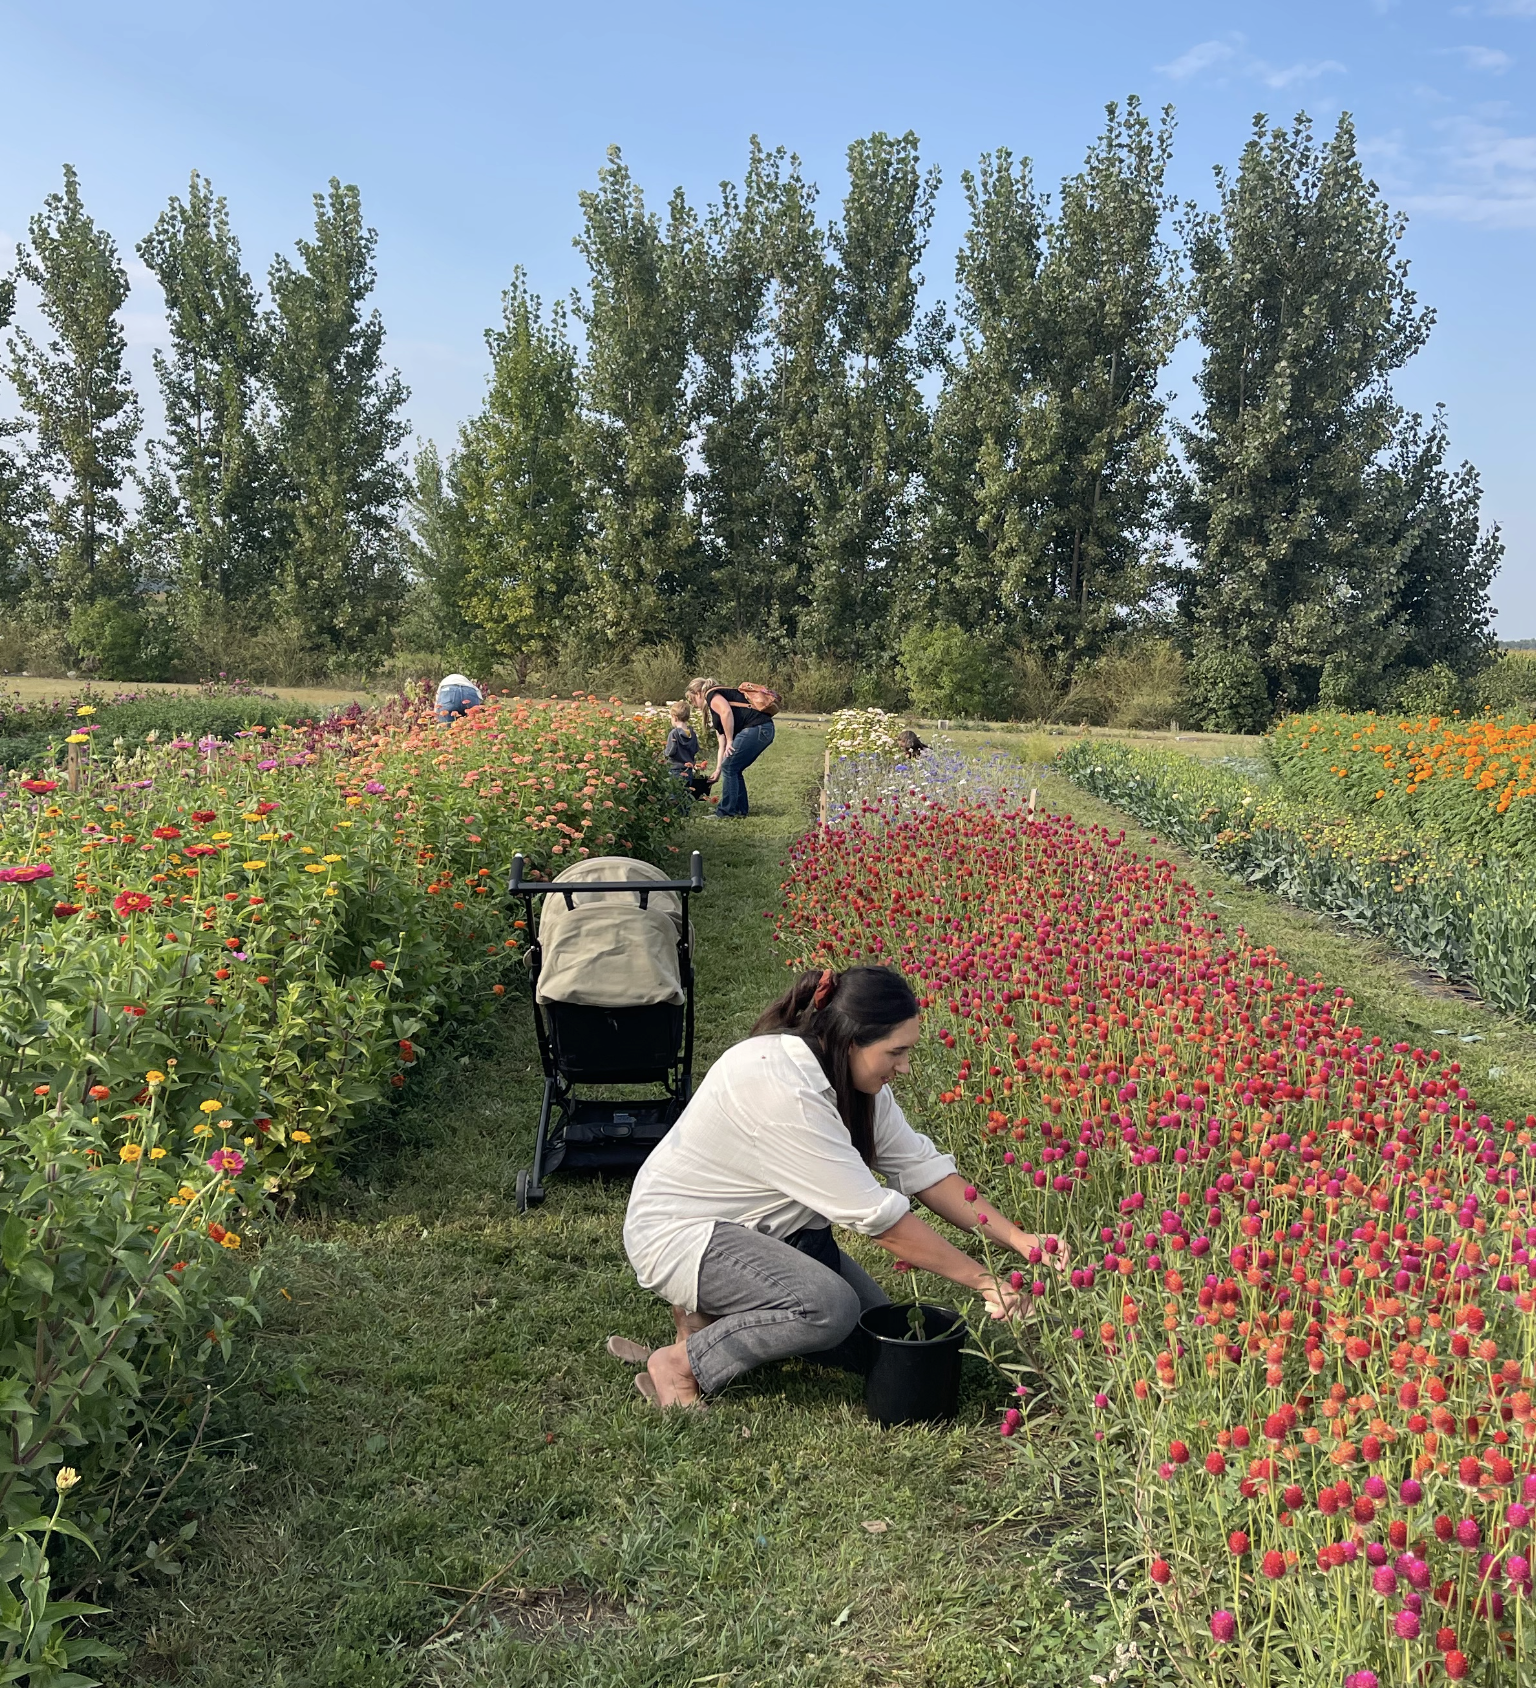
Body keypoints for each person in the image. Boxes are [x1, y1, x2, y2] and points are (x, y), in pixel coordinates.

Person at [616, 965, 1067, 1409]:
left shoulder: (849, 1079)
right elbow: (882, 1222)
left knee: (875, 1341)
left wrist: (1021, 1240)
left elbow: (922, 1170)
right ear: (852, 1040)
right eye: (896, 1052)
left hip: (764, 1230)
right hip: (684, 1236)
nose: (905, 1067)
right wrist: (986, 1281)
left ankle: (707, 1315)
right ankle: (680, 1365)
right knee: (827, 1309)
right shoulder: (784, 1090)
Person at [686, 676, 775, 819]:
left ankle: (726, 812)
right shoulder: (715, 706)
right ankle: (739, 810)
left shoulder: (711, 694)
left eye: (692, 700)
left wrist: (730, 740)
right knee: (733, 767)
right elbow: (721, 742)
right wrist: (718, 770)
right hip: (763, 729)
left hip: (758, 728)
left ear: (698, 693)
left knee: (730, 767)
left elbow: (726, 712)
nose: (694, 705)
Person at [663, 702, 711, 800]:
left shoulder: (674, 733)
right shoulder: (692, 733)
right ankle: (686, 808)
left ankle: (676, 808)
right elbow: (696, 749)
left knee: (674, 793)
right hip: (688, 769)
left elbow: (670, 752)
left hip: (675, 768)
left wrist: (663, 753)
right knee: (686, 793)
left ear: (675, 717)